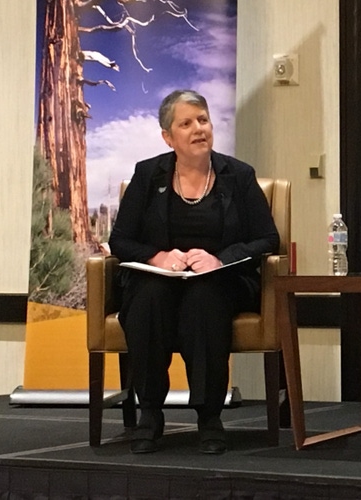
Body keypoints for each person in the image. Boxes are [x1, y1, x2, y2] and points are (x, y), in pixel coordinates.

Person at [109, 90, 279, 455]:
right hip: (160, 279)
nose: (198, 128)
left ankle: (209, 416)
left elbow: (268, 238)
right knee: (149, 299)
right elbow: (120, 239)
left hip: (221, 280)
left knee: (204, 299)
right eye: (186, 123)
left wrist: (220, 259)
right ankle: (150, 413)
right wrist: (158, 257)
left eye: (203, 120)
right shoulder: (147, 173)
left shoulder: (239, 175)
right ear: (168, 137)